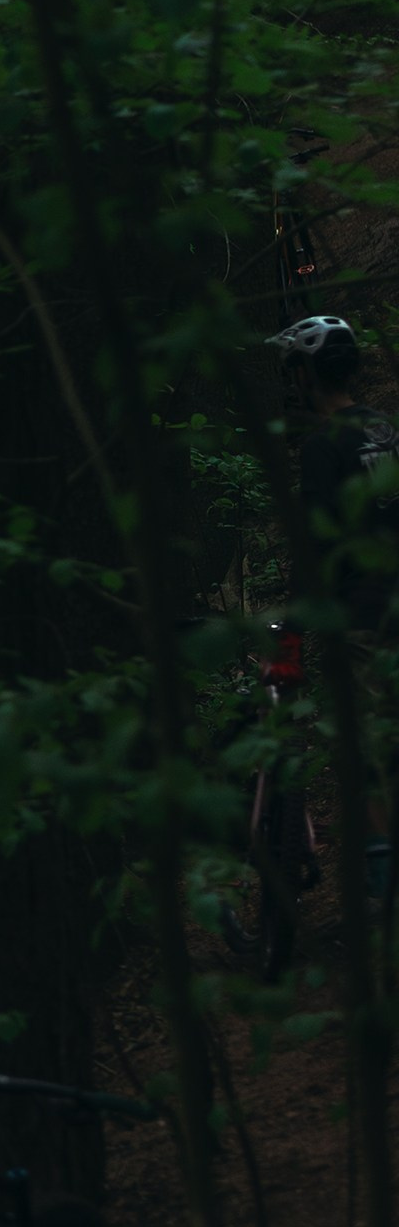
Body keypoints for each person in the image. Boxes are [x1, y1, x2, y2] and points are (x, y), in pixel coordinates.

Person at [276, 313, 399, 900]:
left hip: (362, 617)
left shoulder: (324, 446)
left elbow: (317, 549)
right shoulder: (386, 429)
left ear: (306, 375)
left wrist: (291, 632)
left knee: (367, 747)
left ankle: (382, 878)